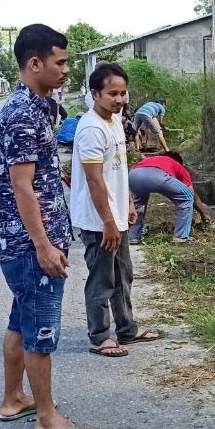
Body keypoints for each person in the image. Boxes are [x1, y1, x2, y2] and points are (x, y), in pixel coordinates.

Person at [0, 23, 93, 429]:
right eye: (61, 62)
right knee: (41, 330)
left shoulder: (37, 107)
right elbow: (22, 186)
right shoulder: (21, 115)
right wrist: (44, 246)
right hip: (33, 246)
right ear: (34, 63)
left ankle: (14, 398)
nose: (66, 70)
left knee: (21, 321)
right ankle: (47, 417)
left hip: (31, 243)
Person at [70, 62, 160, 358]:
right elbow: (95, 180)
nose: (120, 99)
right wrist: (108, 220)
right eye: (112, 93)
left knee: (123, 274)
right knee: (102, 278)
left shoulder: (115, 120)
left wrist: (129, 204)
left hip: (115, 215)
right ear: (95, 93)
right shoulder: (92, 129)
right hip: (99, 221)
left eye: (123, 93)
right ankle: (99, 336)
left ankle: (127, 329)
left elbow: (117, 171)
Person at [129, 151, 209, 244]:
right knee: (186, 198)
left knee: (139, 205)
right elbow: (191, 193)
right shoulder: (178, 165)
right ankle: (180, 236)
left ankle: (133, 237)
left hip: (133, 175)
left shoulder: (150, 159)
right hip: (157, 175)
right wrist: (203, 214)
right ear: (179, 162)